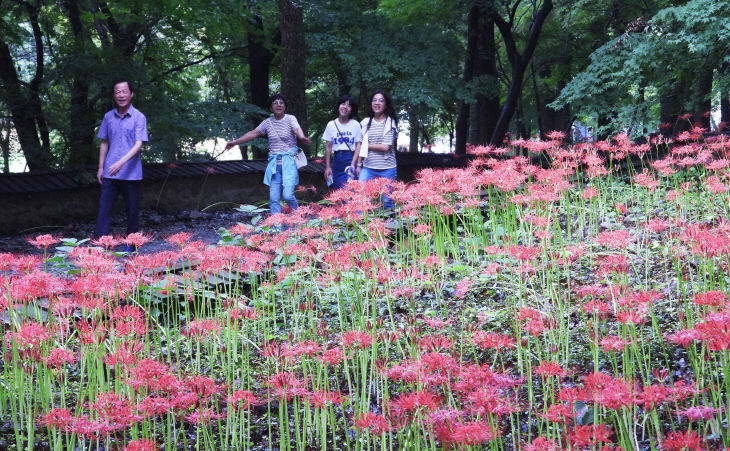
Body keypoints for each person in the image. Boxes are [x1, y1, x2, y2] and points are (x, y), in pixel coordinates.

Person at [224, 94, 311, 214]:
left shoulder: (290, 118)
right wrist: (235, 142)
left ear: (285, 107)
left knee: (287, 196)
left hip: (289, 163)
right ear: (271, 108)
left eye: (281, 102)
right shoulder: (267, 123)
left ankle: (299, 218)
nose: (279, 104)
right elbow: (253, 133)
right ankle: (276, 227)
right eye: (275, 103)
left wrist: (301, 137)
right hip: (274, 165)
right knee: (274, 199)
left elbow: (296, 129)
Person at [93, 79, 148, 248]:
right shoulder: (108, 117)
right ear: (113, 95)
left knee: (131, 212)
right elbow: (104, 142)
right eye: (117, 92)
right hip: (109, 172)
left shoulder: (139, 117)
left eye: (124, 91)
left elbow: (139, 144)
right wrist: (101, 167)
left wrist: (121, 163)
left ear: (131, 94)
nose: (121, 95)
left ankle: (131, 246)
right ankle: (100, 246)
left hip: (131, 174)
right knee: (104, 210)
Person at [356, 90, 398, 209]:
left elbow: (386, 147)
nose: (377, 103)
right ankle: (361, 226)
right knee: (361, 198)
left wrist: (366, 145)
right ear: (371, 103)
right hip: (368, 168)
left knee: (387, 201)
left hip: (387, 169)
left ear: (385, 105)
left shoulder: (390, 122)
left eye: (381, 100)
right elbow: (360, 146)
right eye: (374, 100)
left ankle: (389, 227)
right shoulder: (365, 122)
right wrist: (359, 164)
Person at [323, 94, 362, 189]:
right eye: (343, 104)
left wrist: (353, 164)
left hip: (350, 159)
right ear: (338, 106)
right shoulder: (331, 124)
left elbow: (358, 145)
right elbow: (328, 147)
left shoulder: (355, 124)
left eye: (349, 105)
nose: (345, 107)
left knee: (349, 190)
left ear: (352, 109)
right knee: (338, 192)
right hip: (336, 161)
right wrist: (328, 167)